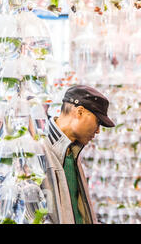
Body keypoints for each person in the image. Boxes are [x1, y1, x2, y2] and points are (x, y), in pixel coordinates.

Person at [40, 85, 115, 224]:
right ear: (79, 112)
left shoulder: (71, 152)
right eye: (97, 122)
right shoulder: (39, 151)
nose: (98, 131)